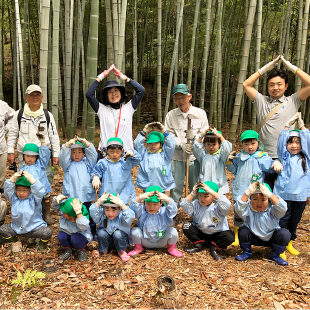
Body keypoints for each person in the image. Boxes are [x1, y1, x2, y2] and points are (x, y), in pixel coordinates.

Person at [243, 55, 310, 189]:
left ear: (286, 86)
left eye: (279, 84)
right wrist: (267, 68)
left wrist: (291, 67)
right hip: (263, 156)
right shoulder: (261, 101)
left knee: (284, 195)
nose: (275, 88)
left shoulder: (293, 100)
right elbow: (246, 84)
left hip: (288, 156)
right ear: (267, 87)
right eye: (271, 85)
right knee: (263, 193)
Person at [7, 84, 60, 224]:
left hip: (43, 154)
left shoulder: (47, 115)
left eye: (38, 95)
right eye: (32, 95)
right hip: (25, 156)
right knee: (25, 182)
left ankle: (45, 213)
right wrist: (10, 151)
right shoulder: (19, 114)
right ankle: (28, 211)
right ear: (27, 97)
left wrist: (56, 154)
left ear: (42, 97)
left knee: (45, 181)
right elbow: (12, 134)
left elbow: (54, 136)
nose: (35, 97)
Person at [226, 130, 282, 246]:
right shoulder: (240, 157)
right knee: (238, 212)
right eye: (246, 144)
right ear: (242, 145)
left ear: (258, 143)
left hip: (256, 193)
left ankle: (254, 232)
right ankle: (237, 234)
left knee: (255, 212)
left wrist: (277, 162)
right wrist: (229, 161)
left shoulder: (262, 157)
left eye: (253, 143)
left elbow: (271, 167)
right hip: (240, 189)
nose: (250, 147)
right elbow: (233, 170)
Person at [86, 64, 145, 158]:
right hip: (105, 154)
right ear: (106, 96)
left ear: (121, 93)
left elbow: (141, 90)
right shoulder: (101, 109)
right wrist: (102, 76)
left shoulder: (129, 108)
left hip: (125, 153)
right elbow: (89, 94)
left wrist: (123, 77)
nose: (113, 94)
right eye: (110, 92)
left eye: (116, 90)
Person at [164, 84, 209, 205]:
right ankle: (173, 213)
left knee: (195, 186)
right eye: (177, 98)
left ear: (189, 97)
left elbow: (205, 132)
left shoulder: (200, 113)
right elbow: (168, 134)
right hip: (178, 157)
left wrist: (195, 138)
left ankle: (195, 212)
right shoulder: (171, 115)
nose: (180, 101)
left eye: (183, 97)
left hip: (194, 157)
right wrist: (181, 144)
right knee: (176, 186)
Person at [273, 113, 309, 256]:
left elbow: (308, 142)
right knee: (283, 220)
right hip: (284, 194)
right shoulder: (285, 157)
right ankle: (280, 245)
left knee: (294, 220)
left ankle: (289, 242)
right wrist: (287, 125)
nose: (294, 145)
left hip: (300, 196)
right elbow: (281, 142)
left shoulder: (307, 158)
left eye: (298, 142)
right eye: (291, 142)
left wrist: (302, 126)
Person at [235, 181, 290, 266]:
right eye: (255, 199)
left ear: (268, 200)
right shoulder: (249, 209)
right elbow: (239, 209)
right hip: (254, 237)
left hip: (271, 238)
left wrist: (270, 195)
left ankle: (275, 254)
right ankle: (246, 251)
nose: (259, 203)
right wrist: (247, 193)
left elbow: (283, 208)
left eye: (263, 199)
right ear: (250, 199)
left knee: (284, 234)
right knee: (243, 231)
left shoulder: (273, 209)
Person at [180, 181, 234, 261]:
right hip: (201, 233)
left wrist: (212, 192)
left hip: (216, 235)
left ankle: (214, 248)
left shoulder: (218, 207)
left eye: (206, 196)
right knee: (186, 226)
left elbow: (227, 205)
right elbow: (184, 205)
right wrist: (192, 193)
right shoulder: (196, 204)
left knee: (229, 236)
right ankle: (198, 244)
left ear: (213, 197)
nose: (202, 199)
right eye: (200, 195)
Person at [1, 170, 52, 253]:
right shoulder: (14, 199)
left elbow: (39, 192)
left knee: (47, 232)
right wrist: (13, 179)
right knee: (3, 229)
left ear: (30, 190)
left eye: (24, 190)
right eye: (18, 190)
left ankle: (41, 245)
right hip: (17, 229)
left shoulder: (35, 200)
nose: (21, 193)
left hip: (34, 229)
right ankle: (15, 242)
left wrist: (32, 180)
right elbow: (7, 190)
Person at [59, 136, 97, 239]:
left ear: (84, 153)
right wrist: (67, 146)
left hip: (86, 196)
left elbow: (93, 156)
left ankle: (92, 234)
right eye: (73, 152)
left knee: (88, 215)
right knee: (73, 216)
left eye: (79, 152)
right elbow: (62, 157)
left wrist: (86, 143)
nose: (76, 155)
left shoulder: (88, 163)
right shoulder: (67, 165)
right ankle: (73, 233)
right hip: (72, 196)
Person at [128, 186, 183, 258]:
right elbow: (132, 208)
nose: (151, 207)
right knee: (135, 231)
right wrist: (140, 197)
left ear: (161, 203)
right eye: (148, 204)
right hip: (145, 240)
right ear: (144, 202)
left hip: (161, 240)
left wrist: (168, 199)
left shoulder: (164, 211)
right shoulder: (141, 210)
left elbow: (173, 211)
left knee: (173, 231)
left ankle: (171, 249)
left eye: (155, 204)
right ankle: (138, 248)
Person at [91, 137, 141, 204]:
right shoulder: (103, 162)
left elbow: (138, 159)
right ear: (106, 150)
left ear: (122, 151)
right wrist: (95, 177)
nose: (115, 154)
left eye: (118, 152)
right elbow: (96, 171)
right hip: (107, 193)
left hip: (124, 194)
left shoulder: (126, 161)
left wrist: (132, 152)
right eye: (112, 152)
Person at [90, 193, 135, 262]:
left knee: (118, 233)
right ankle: (103, 249)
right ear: (104, 209)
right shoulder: (102, 214)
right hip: (108, 241)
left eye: (114, 210)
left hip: (120, 241)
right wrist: (99, 202)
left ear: (119, 209)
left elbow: (130, 217)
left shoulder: (122, 214)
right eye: (107, 210)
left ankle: (121, 251)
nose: (110, 213)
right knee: (101, 232)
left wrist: (122, 204)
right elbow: (93, 213)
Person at [134, 121, 176, 192]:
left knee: (160, 202)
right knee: (147, 202)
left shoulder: (165, 154)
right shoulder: (144, 154)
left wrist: (165, 132)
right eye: (150, 143)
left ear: (161, 143)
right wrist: (144, 131)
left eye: (156, 143)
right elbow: (137, 143)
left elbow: (171, 145)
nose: (153, 146)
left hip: (161, 184)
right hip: (147, 185)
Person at [192, 127, 232, 194]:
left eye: (214, 144)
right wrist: (201, 136)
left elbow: (227, 149)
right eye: (208, 144)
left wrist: (220, 136)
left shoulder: (221, 156)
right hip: (205, 185)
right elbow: (196, 148)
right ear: (204, 144)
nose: (211, 147)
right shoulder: (202, 155)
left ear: (219, 144)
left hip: (219, 186)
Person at [52, 195, 92, 262]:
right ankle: (68, 250)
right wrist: (56, 199)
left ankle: (81, 250)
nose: (62, 213)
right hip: (68, 233)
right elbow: (57, 207)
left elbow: (83, 227)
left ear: (72, 216)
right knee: (61, 235)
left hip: (80, 236)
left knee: (75, 238)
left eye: (64, 213)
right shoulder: (66, 215)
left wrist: (78, 214)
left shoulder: (82, 218)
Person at [18, 135, 52, 203]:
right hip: (27, 193)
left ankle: (44, 212)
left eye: (33, 156)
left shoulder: (40, 165)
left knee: (40, 205)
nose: (30, 159)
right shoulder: (22, 169)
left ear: (37, 157)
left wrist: (43, 143)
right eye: (28, 156)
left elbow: (45, 156)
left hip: (39, 193)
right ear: (23, 156)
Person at [0, 100, 15, 197]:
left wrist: (6, 128)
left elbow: (13, 116)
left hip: (1, 147)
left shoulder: (2, 105)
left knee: (1, 179)